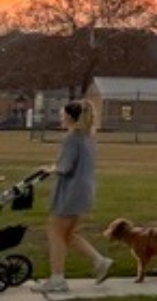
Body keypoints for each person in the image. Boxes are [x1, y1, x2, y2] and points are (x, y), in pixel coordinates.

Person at [36, 96, 114, 293]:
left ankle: (57, 279)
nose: (61, 118)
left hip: (71, 191)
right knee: (68, 234)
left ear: (72, 117)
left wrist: (50, 169)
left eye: (63, 115)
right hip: (84, 190)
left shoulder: (72, 138)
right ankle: (100, 261)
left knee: (55, 232)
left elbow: (66, 166)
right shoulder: (88, 138)